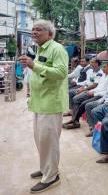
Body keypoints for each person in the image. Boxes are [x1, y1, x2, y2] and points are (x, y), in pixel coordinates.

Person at [19, 19, 68, 193]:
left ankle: (52, 176)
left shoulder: (57, 49)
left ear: (49, 33)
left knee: (49, 141)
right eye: (33, 30)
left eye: (38, 30)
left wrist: (34, 65)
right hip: (39, 103)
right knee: (41, 140)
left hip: (51, 103)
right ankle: (46, 168)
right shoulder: (40, 49)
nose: (34, 32)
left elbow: (61, 72)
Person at [63, 61, 108, 129]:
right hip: (93, 91)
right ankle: (74, 120)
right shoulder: (101, 74)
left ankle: (78, 121)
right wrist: (85, 88)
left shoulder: (106, 76)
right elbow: (96, 86)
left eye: (105, 67)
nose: (91, 64)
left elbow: (104, 90)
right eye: (103, 67)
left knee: (82, 102)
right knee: (76, 98)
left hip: (99, 95)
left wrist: (91, 91)